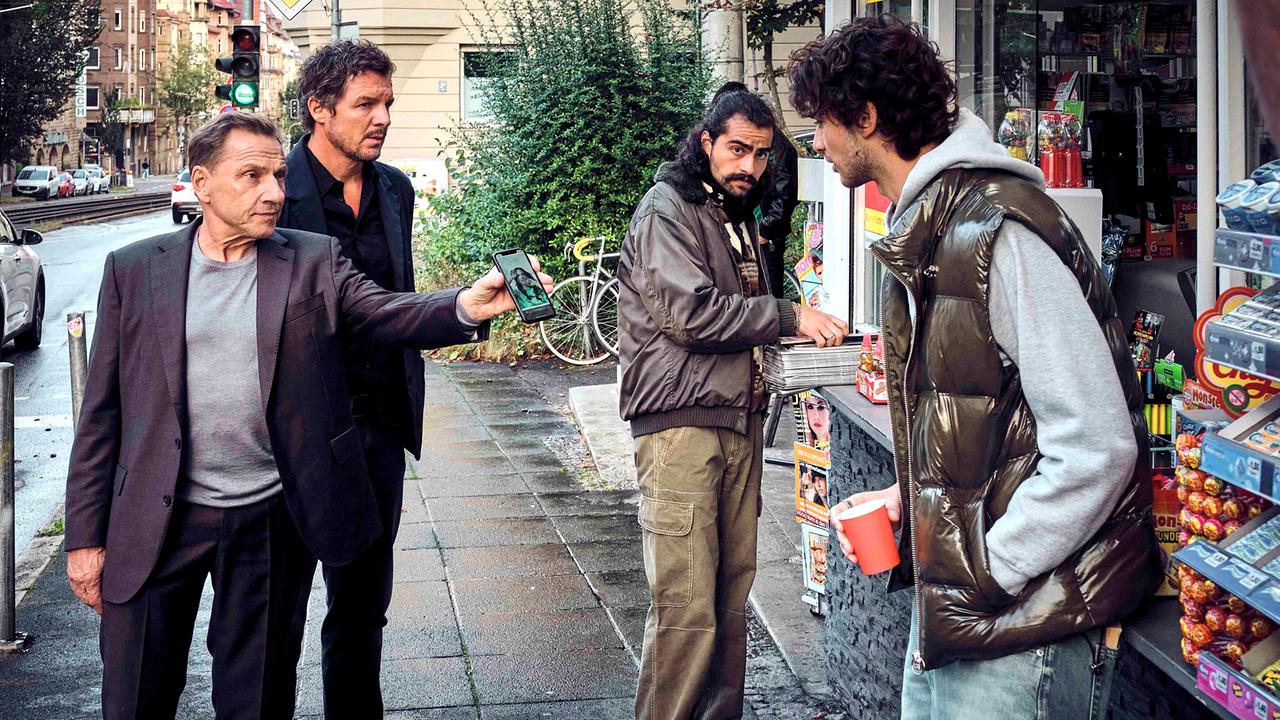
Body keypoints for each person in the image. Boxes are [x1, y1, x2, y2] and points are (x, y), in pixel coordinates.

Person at [63, 111, 550, 719]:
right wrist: (84, 537)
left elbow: (384, 312)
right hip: (158, 519)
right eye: (251, 176)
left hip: (267, 519)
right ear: (202, 182)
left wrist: (465, 305)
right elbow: (101, 416)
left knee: (258, 698)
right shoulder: (135, 270)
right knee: (137, 694)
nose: (273, 191)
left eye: (276, 175)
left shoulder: (311, 259)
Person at [788, 15, 1160, 719]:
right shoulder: (936, 224)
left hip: (1021, 631)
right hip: (963, 616)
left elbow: (1097, 448)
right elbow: (985, 426)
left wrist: (989, 569)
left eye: (823, 121)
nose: (817, 141)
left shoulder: (1001, 229)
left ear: (865, 118)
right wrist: (911, 506)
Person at [617, 88, 848, 720]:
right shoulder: (667, 211)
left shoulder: (733, 211)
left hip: (735, 419)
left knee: (727, 598)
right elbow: (691, 315)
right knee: (686, 609)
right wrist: (787, 314)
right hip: (681, 428)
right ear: (706, 143)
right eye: (737, 150)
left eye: (761, 154)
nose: (749, 165)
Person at [275, 41, 472, 716]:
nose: (382, 116)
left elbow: (395, 300)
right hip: (294, 434)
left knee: (362, 609)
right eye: (366, 104)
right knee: (278, 614)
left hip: (377, 426)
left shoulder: (395, 188)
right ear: (319, 109)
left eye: (387, 102)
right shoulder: (276, 189)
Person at [710, 82, 800, 299]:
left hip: (763, 238)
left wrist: (765, 232)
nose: (748, 166)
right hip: (738, 232)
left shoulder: (778, 147)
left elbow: (786, 195)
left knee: (767, 296)